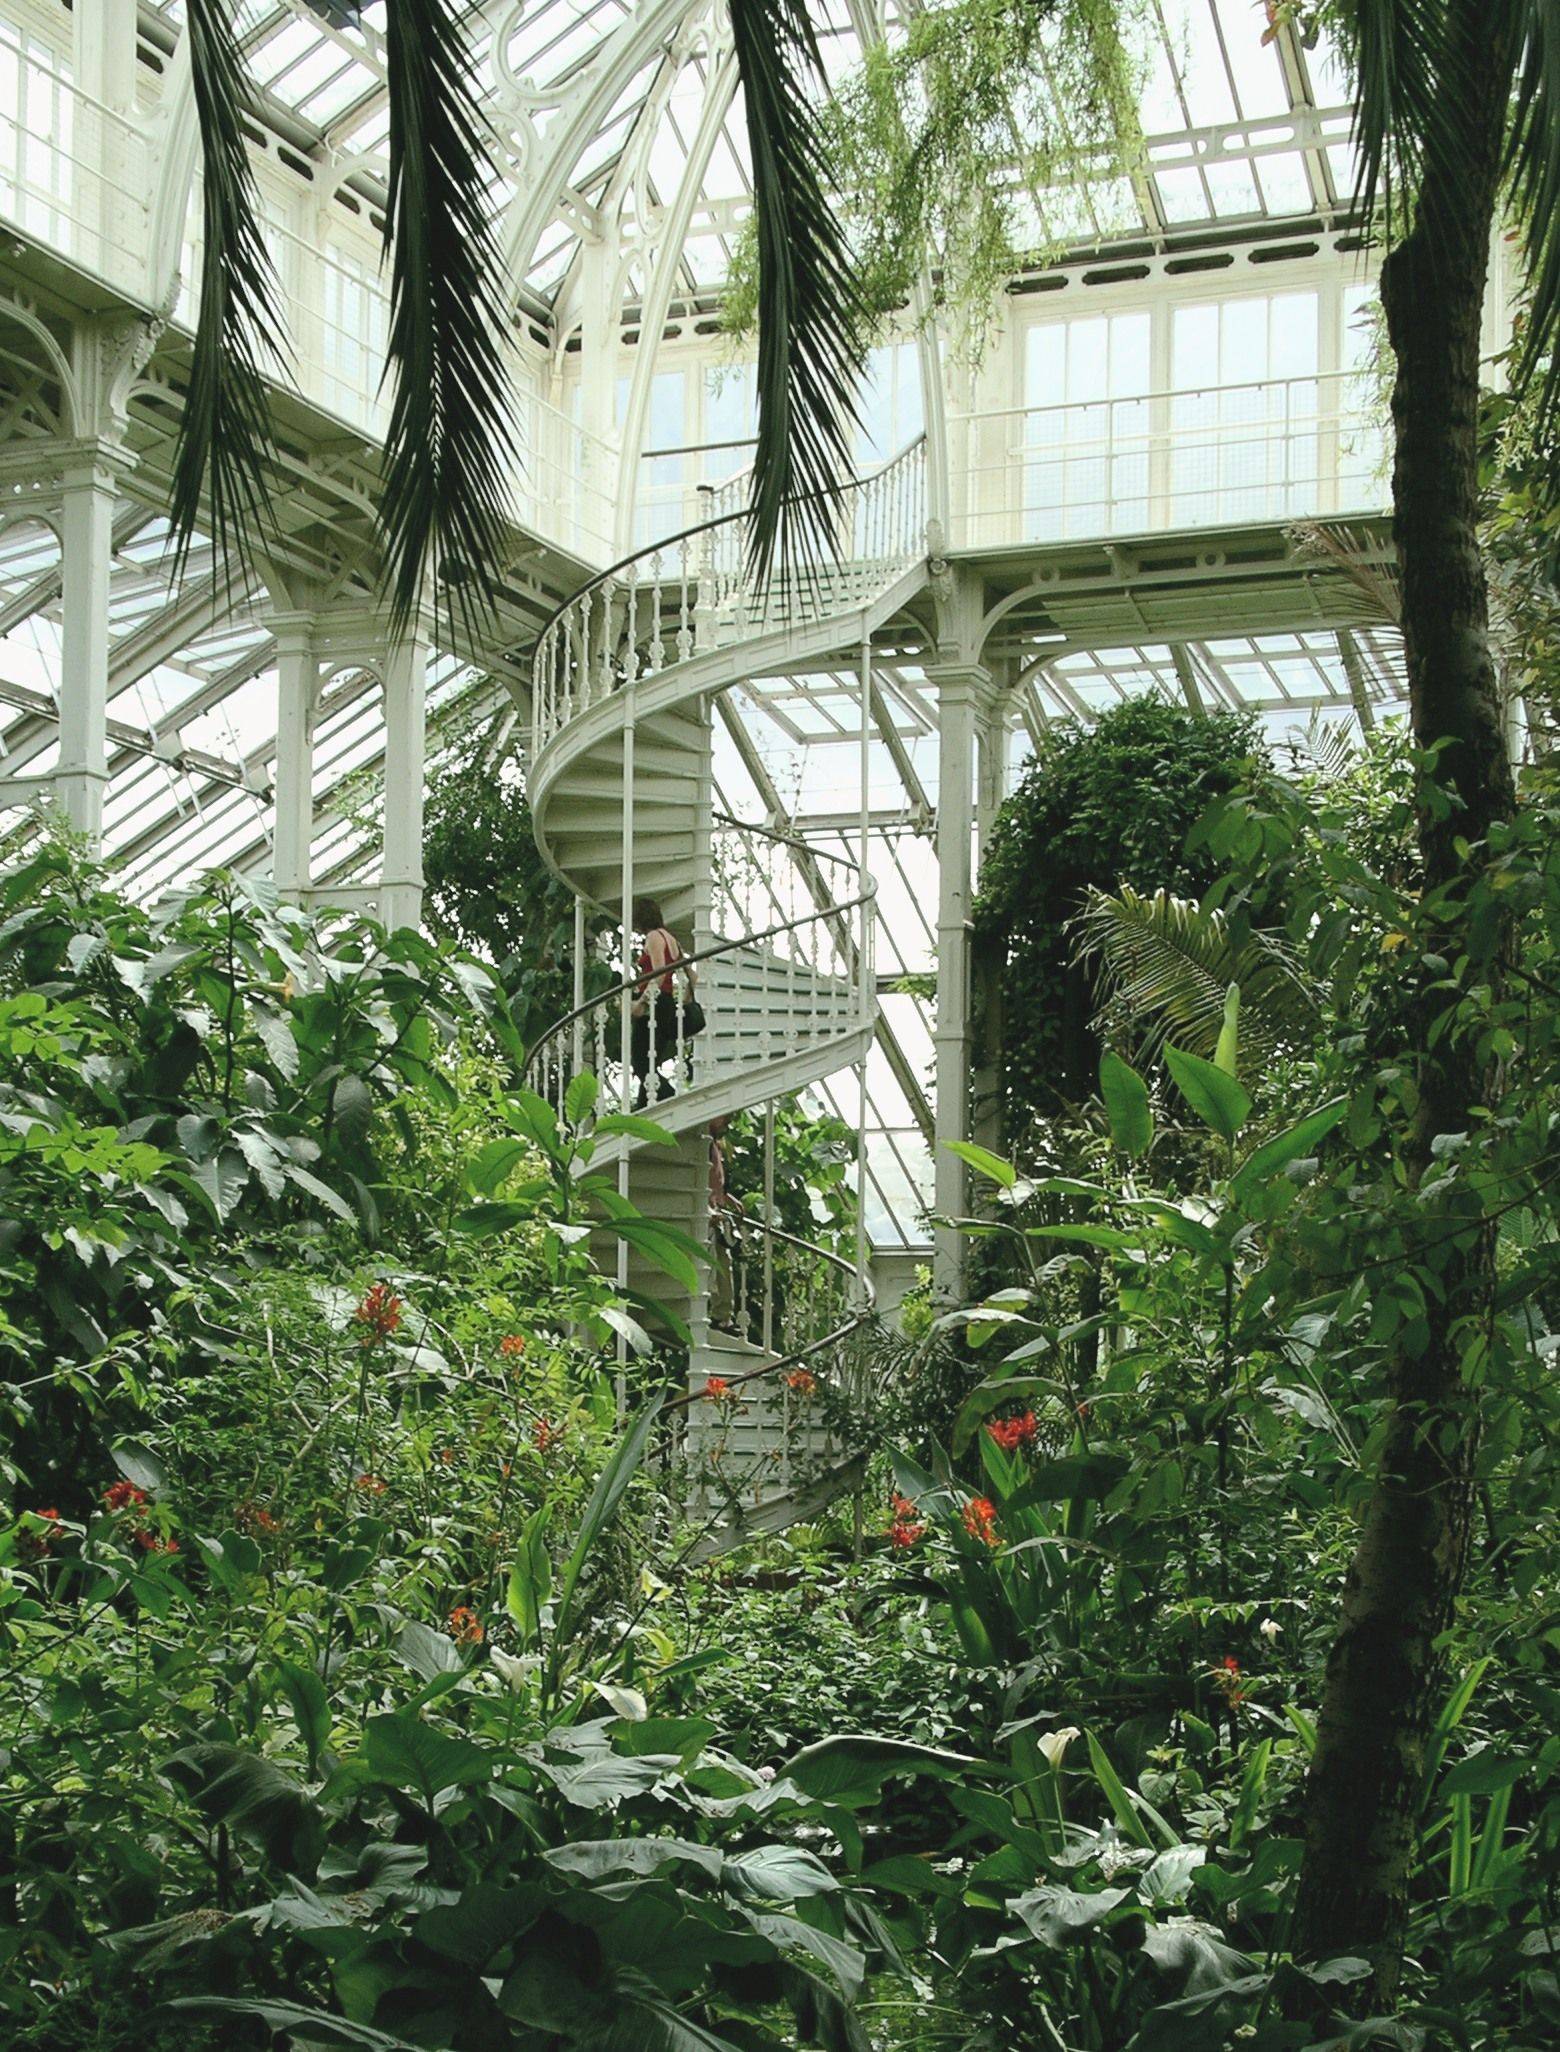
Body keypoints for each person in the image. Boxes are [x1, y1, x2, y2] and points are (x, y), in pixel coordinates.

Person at [629, 897, 699, 1106]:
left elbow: (660, 973)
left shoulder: (653, 937)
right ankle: (642, 1109)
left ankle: (670, 1099)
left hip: (655, 1005)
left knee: (641, 1064)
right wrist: (685, 999)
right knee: (649, 1063)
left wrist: (641, 1002)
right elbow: (692, 977)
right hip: (666, 1003)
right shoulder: (671, 939)